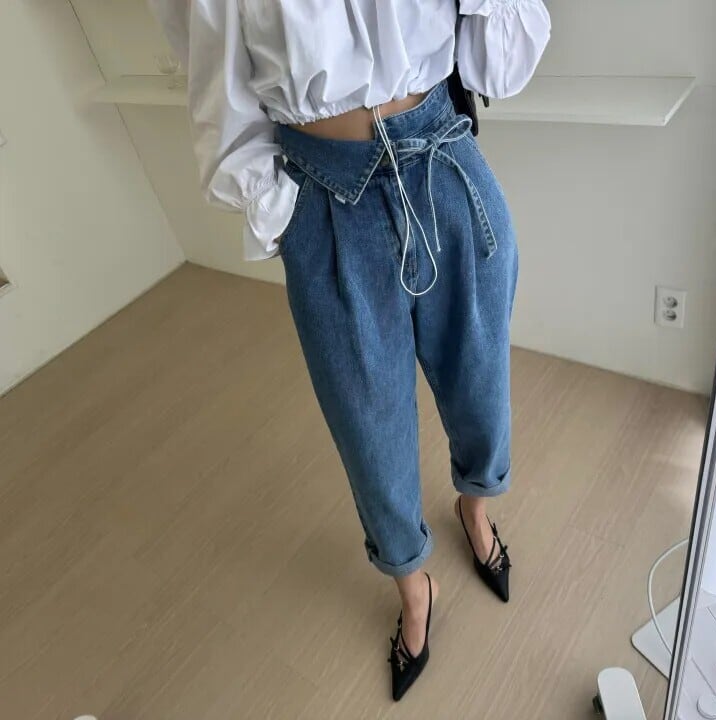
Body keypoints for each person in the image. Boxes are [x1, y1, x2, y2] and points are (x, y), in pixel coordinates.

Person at [149, 0, 551, 701]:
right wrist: (289, 219)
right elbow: (218, 89)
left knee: (481, 383)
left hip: (446, 164)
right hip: (326, 197)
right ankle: (413, 586)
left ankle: (476, 507)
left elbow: (500, 67)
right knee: (368, 428)